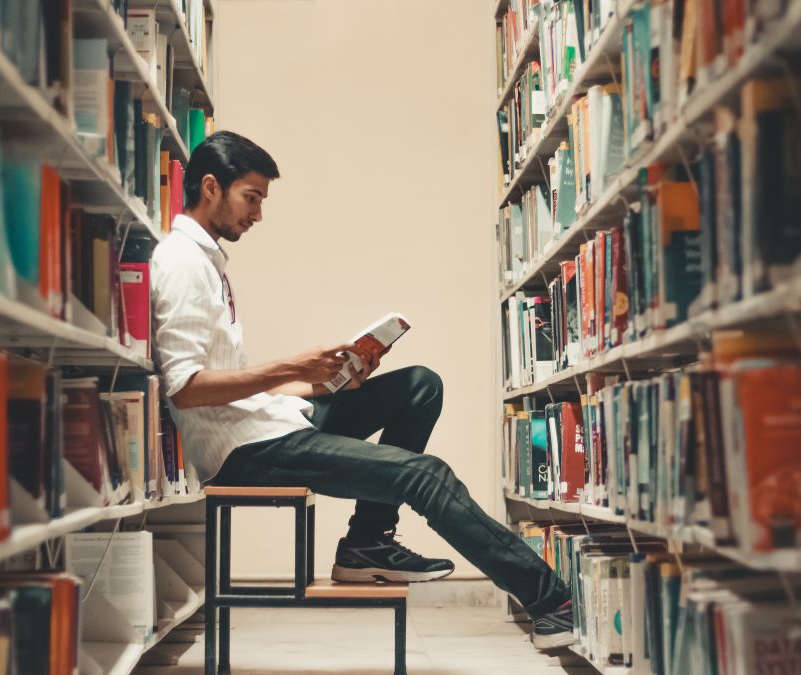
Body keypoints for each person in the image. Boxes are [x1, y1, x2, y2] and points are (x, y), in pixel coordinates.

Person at [149, 131, 574, 649]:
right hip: (245, 451)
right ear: (210, 187)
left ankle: (366, 543)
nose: (258, 214)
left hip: (266, 422)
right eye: (252, 198)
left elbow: (232, 385)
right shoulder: (179, 264)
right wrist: (289, 366)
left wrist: (320, 381)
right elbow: (187, 389)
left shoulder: (207, 262)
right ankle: (553, 602)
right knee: (425, 475)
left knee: (419, 387)